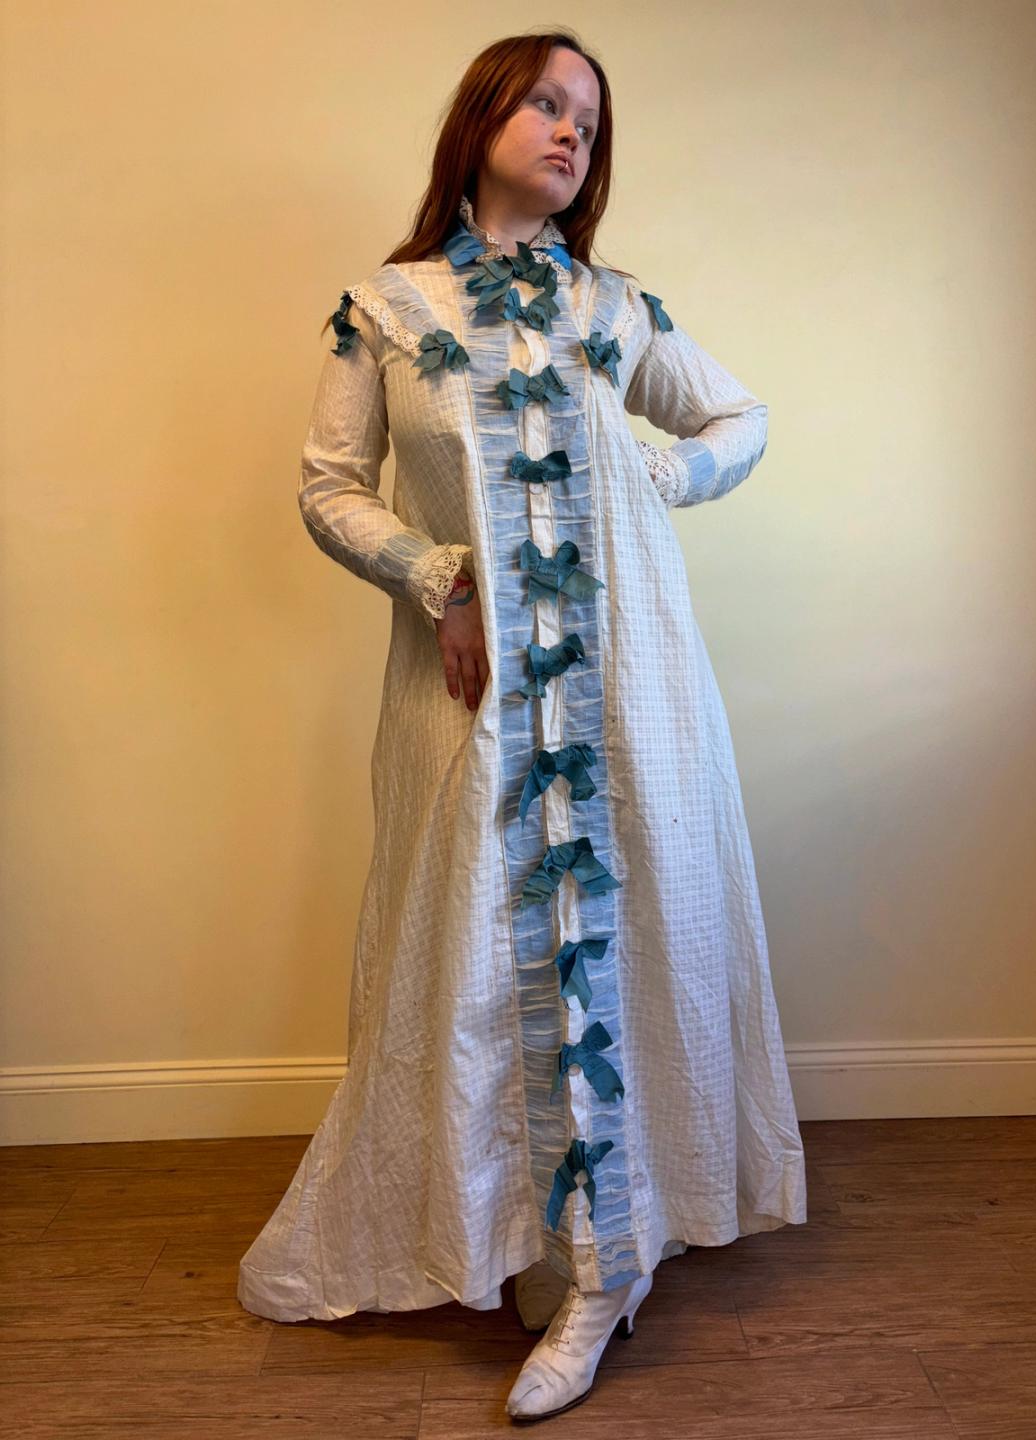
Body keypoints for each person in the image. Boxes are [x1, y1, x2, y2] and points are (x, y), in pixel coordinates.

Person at [236, 27, 807, 1422]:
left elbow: (738, 419)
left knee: (625, 933)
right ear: (481, 116)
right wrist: (438, 578)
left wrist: (653, 483)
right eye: (547, 105)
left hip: (627, 687)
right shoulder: (389, 309)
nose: (570, 134)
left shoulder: (614, 309)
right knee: (486, 955)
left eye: (589, 124)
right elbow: (328, 485)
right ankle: (534, 1232)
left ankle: (606, 1262)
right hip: (476, 698)